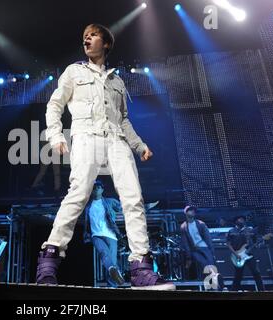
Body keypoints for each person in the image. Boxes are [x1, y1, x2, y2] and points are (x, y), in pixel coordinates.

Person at [35, 23, 174, 290]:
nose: (86, 38)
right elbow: (55, 105)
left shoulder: (117, 80)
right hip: (86, 136)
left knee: (134, 199)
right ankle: (49, 261)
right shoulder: (74, 72)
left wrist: (139, 145)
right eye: (84, 36)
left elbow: (123, 120)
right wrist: (56, 135)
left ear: (106, 43)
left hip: (117, 141)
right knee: (78, 194)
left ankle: (141, 268)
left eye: (93, 35)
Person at [83, 180, 125, 287]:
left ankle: (112, 286)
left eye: (99, 187)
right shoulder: (87, 205)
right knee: (103, 253)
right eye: (94, 187)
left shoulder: (109, 201)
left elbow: (125, 208)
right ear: (91, 191)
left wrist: (143, 207)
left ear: (102, 190)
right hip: (95, 235)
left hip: (111, 235)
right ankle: (113, 271)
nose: (96, 189)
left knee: (112, 261)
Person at [180, 206, 224, 290]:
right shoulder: (183, 227)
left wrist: (212, 251)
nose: (192, 212)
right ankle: (215, 282)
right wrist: (188, 256)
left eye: (193, 211)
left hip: (205, 247)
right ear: (186, 213)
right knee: (205, 265)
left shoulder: (201, 224)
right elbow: (185, 243)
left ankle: (215, 287)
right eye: (190, 211)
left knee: (210, 265)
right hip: (195, 250)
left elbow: (208, 238)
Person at [227, 215, 265, 291]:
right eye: (240, 219)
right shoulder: (231, 231)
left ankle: (262, 291)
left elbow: (256, 242)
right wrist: (236, 254)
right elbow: (228, 244)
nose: (242, 220)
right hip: (237, 255)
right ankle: (233, 292)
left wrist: (259, 243)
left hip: (249, 255)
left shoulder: (250, 230)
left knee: (256, 273)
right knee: (238, 275)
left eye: (243, 219)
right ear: (236, 221)